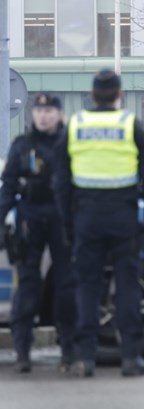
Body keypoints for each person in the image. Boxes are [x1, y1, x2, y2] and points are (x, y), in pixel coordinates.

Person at [54, 68, 144, 377]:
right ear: (118, 95)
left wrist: (67, 223)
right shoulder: (130, 125)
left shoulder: (75, 125)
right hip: (123, 217)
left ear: (91, 94)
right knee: (128, 285)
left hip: (86, 218)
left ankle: (85, 359)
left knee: (87, 286)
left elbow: (61, 181)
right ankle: (130, 358)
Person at [0, 94, 76, 373]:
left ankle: (68, 350)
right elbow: (8, 187)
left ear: (58, 114)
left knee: (67, 287)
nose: (43, 115)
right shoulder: (23, 145)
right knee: (28, 286)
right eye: (39, 110)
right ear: (33, 115)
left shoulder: (69, 144)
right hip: (29, 220)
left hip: (61, 220)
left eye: (49, 110)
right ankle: (22, 352)